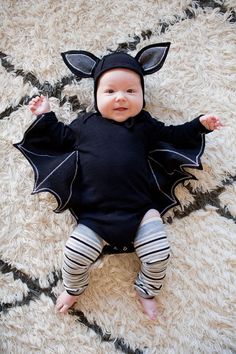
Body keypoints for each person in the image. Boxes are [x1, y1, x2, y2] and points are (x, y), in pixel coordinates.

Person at [15, 43, 223, 320]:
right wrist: (46, 114)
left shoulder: (145, 125)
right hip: (94, 216)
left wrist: (199, 125)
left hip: (142, 212)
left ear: (142, 95)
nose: (120, 98)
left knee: (159, 252)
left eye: (131, 91)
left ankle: (146, 289)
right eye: (110, 91)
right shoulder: (84, 125)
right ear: (96, 95)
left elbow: (175, 135)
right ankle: (74, 288)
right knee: (74, 254)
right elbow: (59, 136)